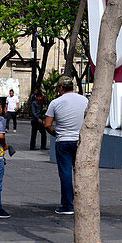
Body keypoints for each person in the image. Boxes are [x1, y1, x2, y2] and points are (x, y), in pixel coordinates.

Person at [44, 76, 87, 215]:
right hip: (79, 141)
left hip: (63, 141)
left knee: (66, 173)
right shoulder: (84, 100)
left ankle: (68, 204)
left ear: (61, 88)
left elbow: (47, 125)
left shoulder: (55, 103)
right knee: (81, 173)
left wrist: (57, 133)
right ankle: (84, 203)